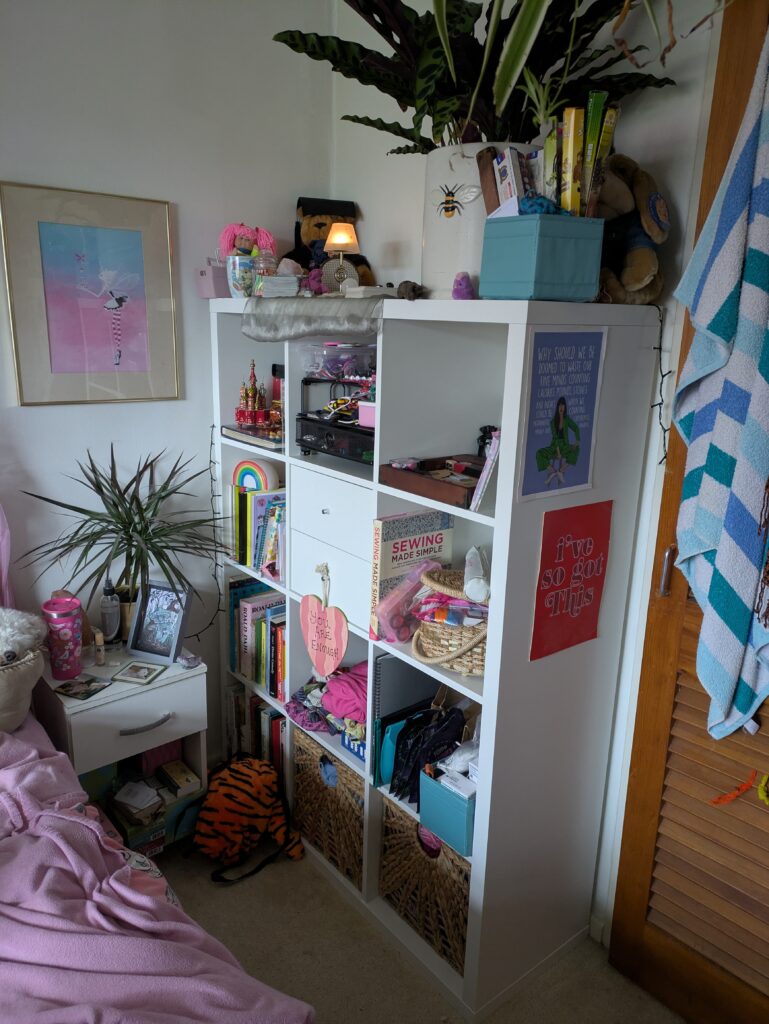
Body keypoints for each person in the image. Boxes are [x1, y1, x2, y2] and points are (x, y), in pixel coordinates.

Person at [535, 396, 580, 486]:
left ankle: (560, 471)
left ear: (565, 407)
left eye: (563, 405)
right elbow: (555, 439)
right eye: (559, 405)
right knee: (539, 453)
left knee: (577, 449)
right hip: (555, 446)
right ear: (557, 407)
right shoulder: (552, 422)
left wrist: (577, 440)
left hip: (565, 445)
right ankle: (553, 472)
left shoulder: (567, 419)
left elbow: (576, 428)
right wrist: (558, 452)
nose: (561, 407)